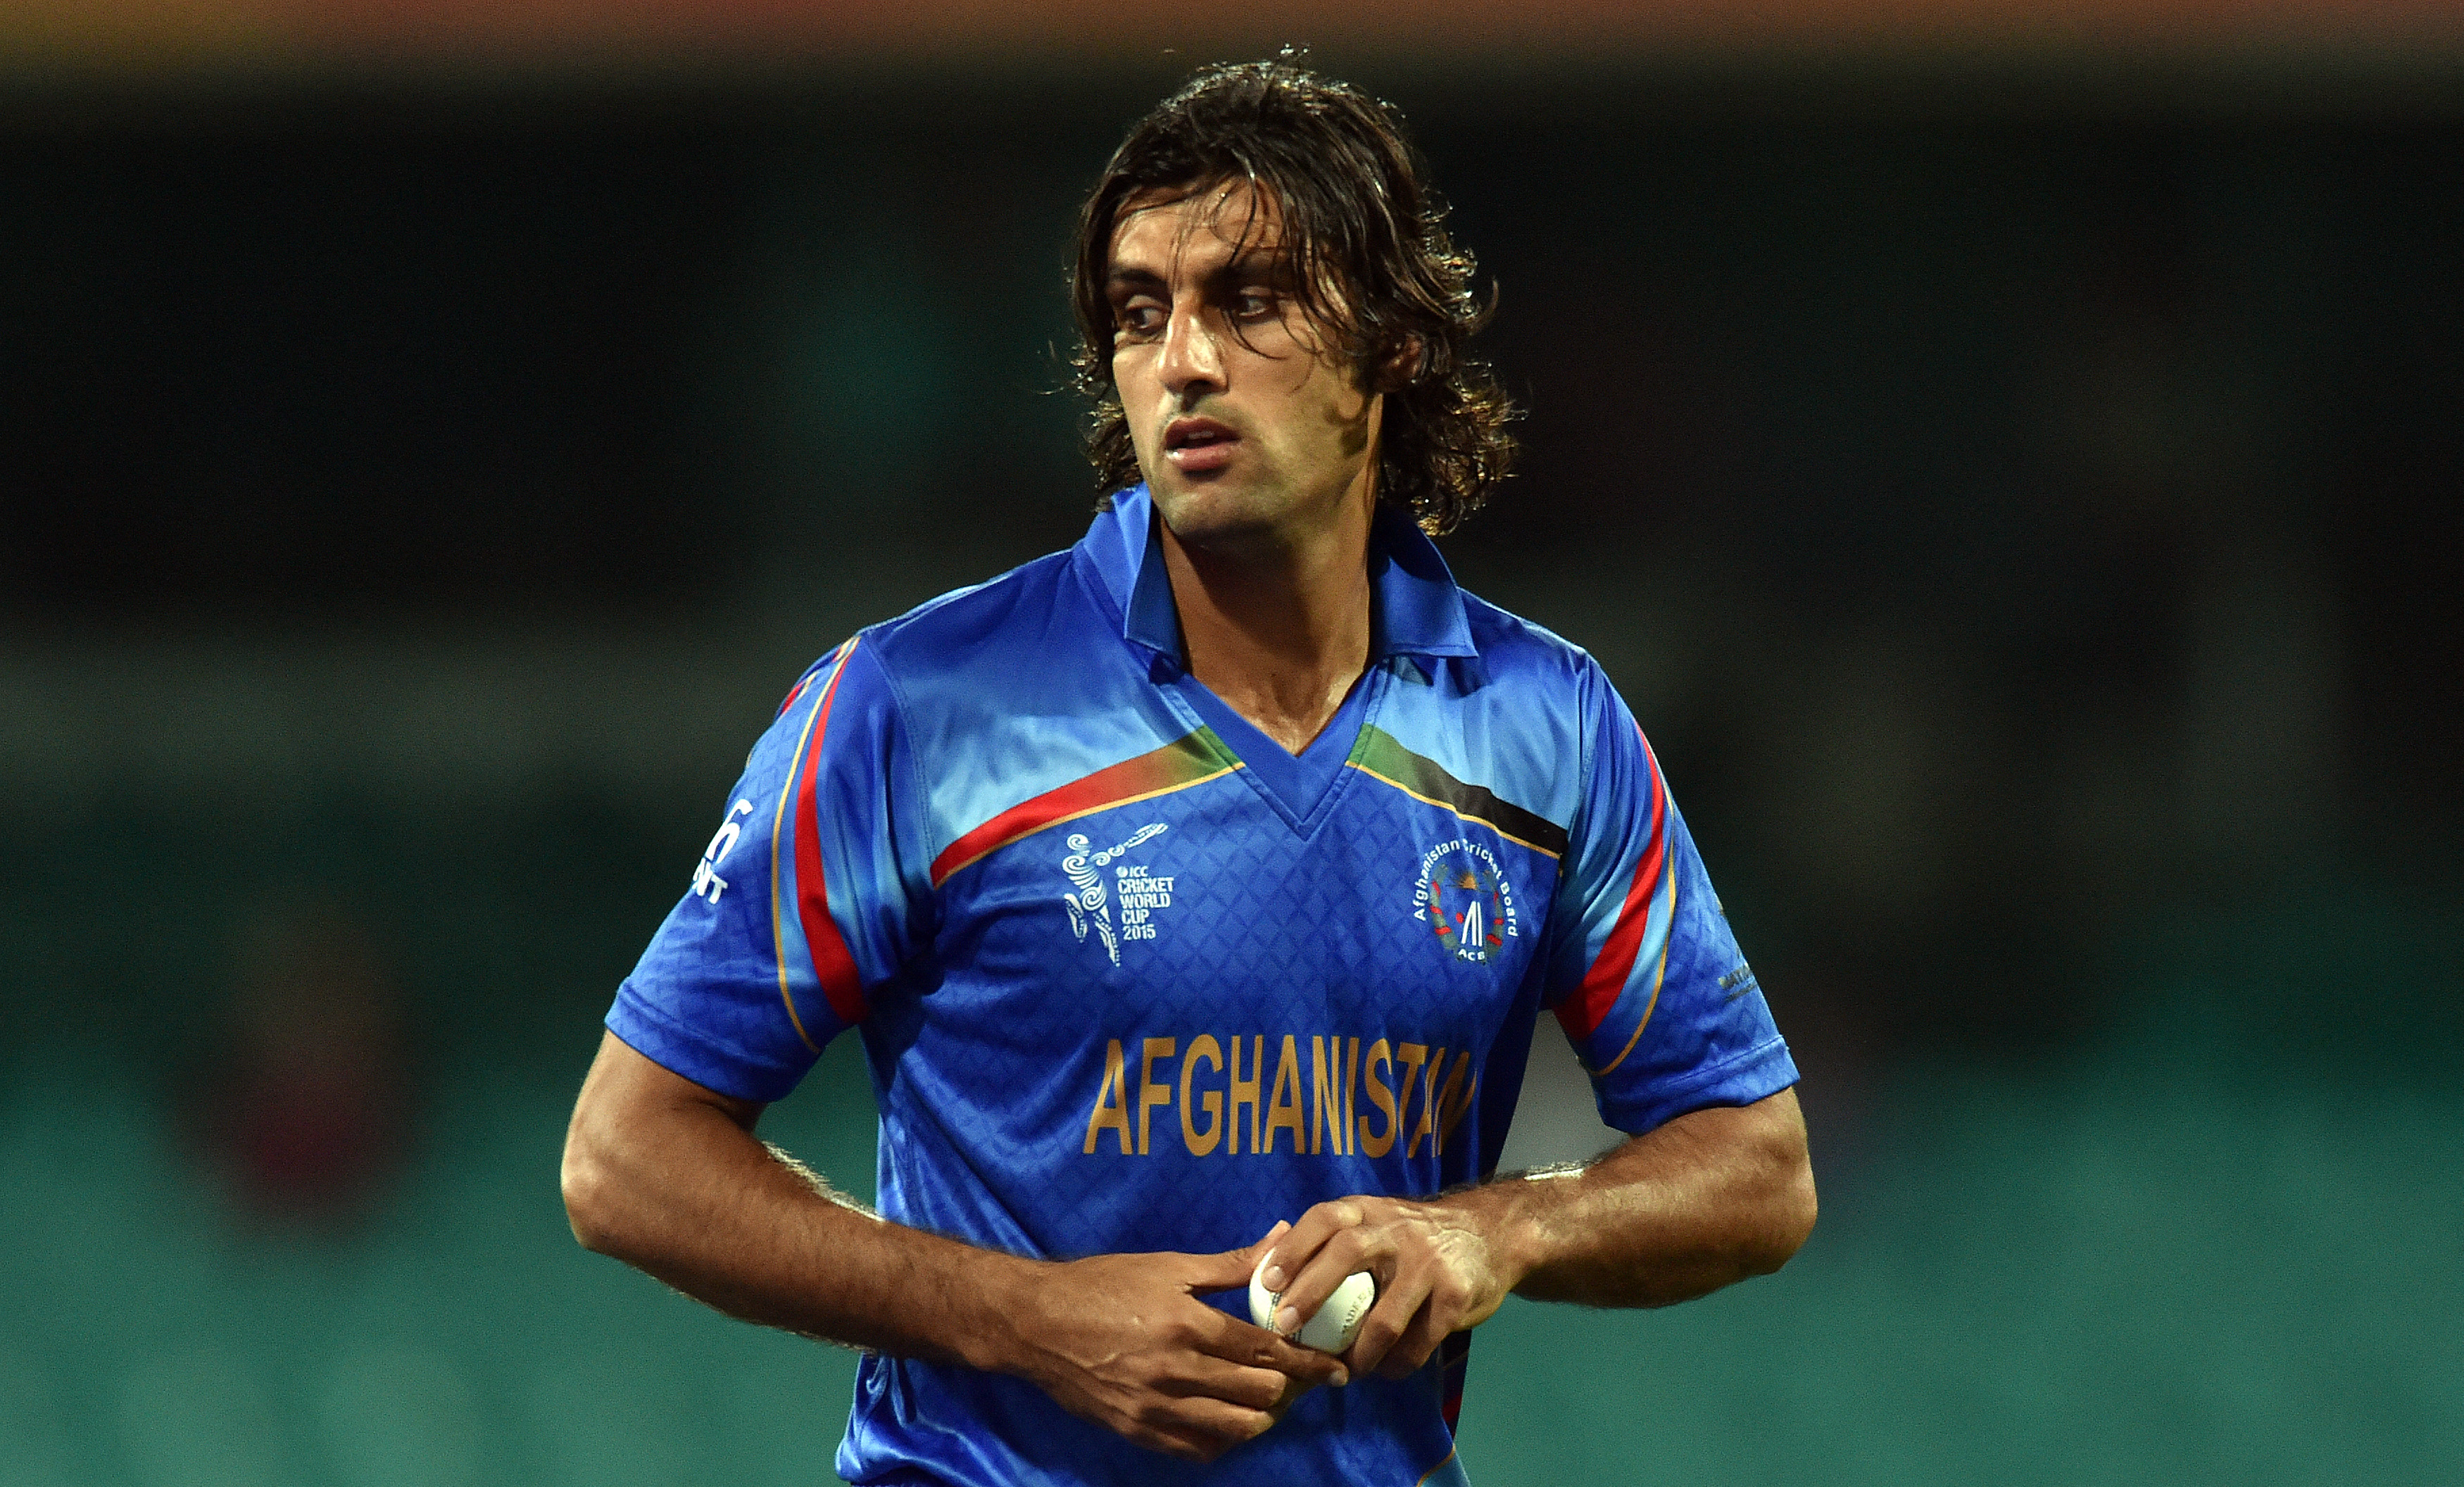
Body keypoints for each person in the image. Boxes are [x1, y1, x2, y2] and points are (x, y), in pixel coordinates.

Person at [561, 59, 1815, 1486]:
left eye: (1252, 301)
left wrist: (1492, 1233)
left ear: (1394, 344)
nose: (1186, 361)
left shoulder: (1546, 727)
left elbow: (1757, 1168)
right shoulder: (919, 706)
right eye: (1141, 314)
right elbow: (624, 1159)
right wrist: (1028, 1321)